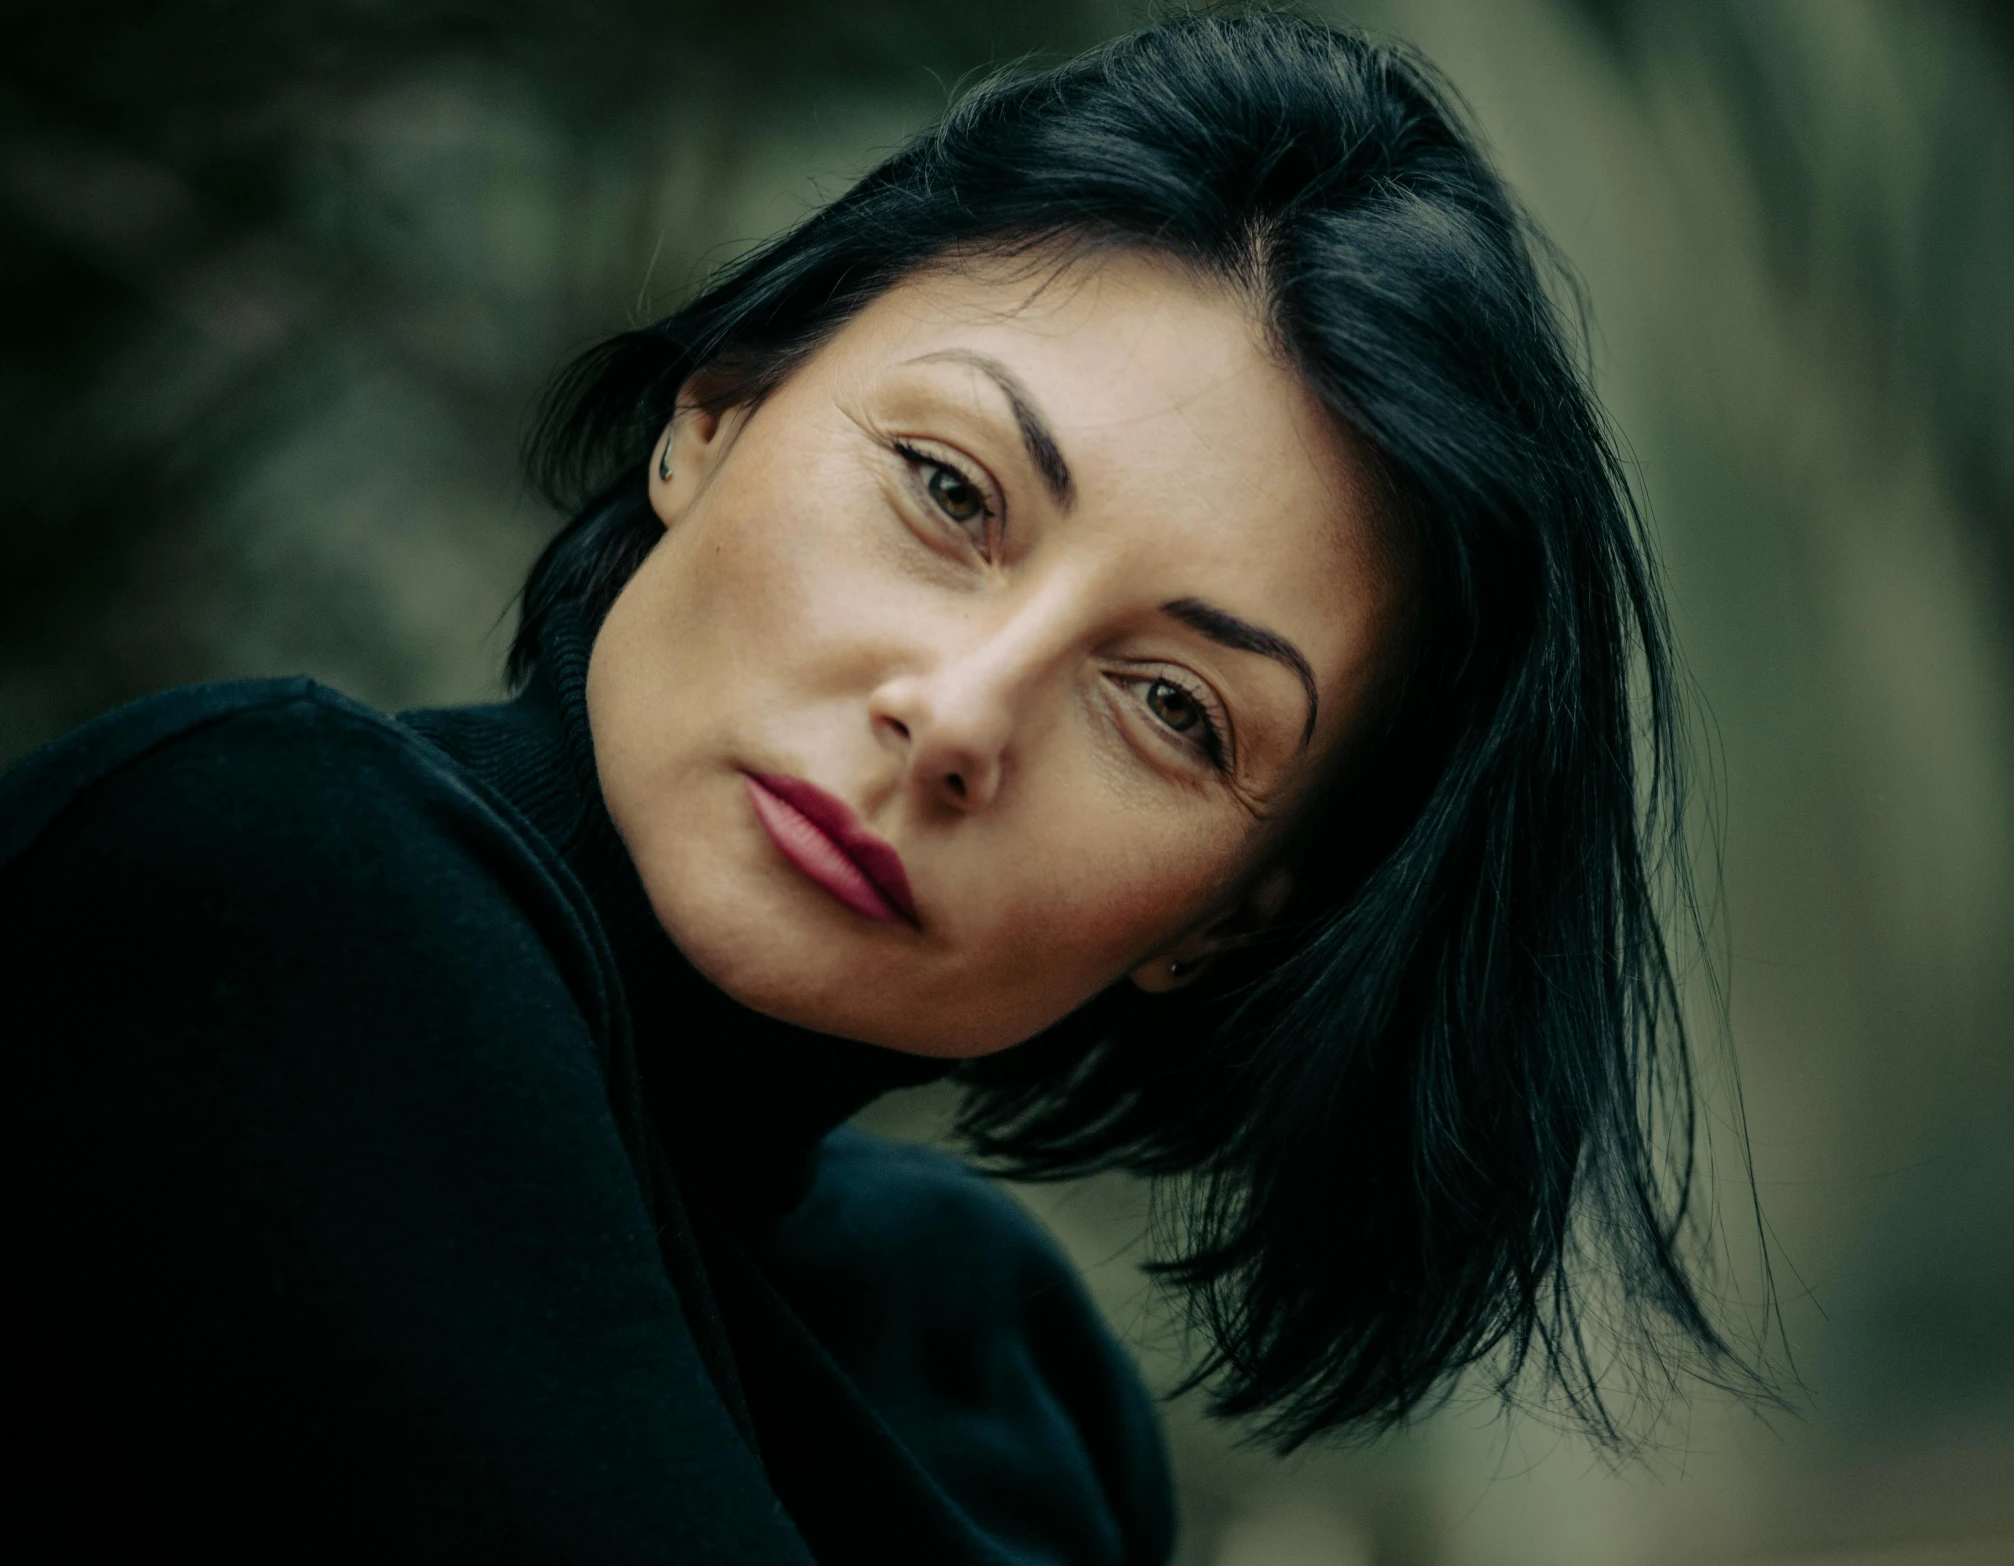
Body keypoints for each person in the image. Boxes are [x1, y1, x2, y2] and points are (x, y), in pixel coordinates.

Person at [1, 11, 1750, 1561]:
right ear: (719, 410)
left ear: (1230, 923)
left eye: (1168, 707)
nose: (960, 713)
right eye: (949, 492)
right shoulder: (261, 880)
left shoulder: (1011, 1375)